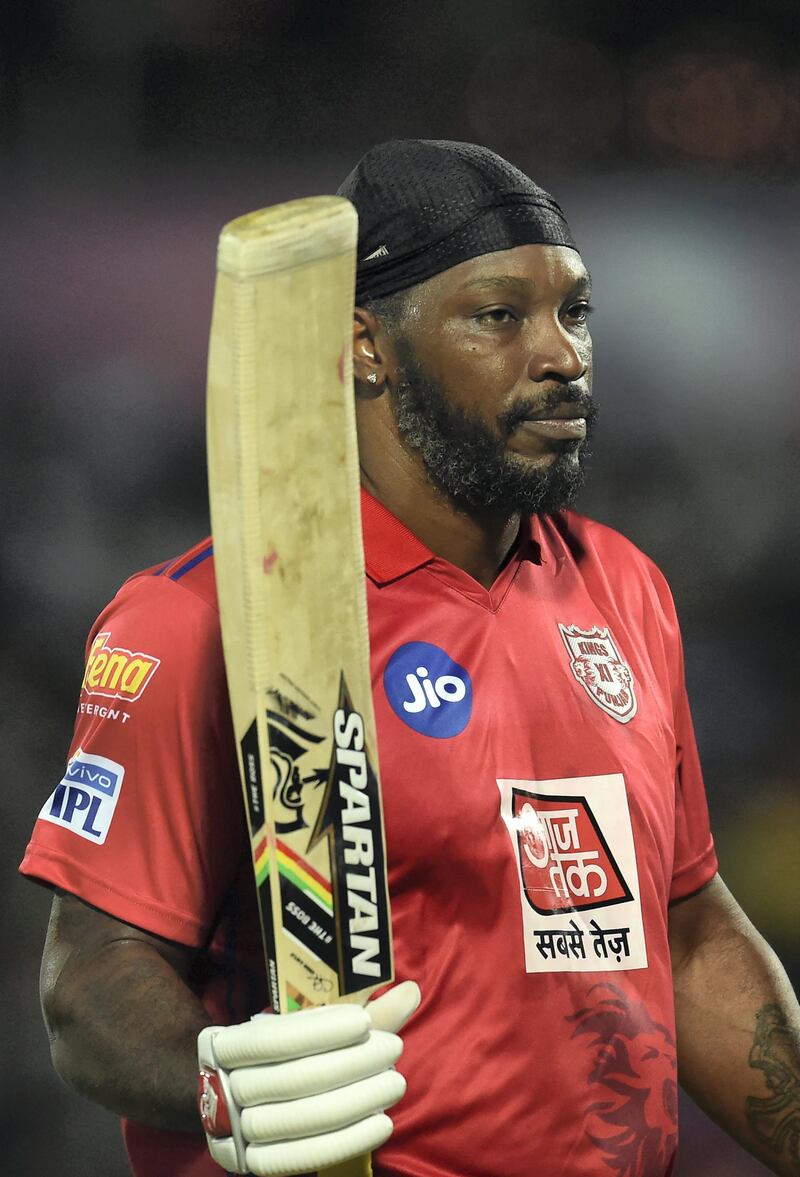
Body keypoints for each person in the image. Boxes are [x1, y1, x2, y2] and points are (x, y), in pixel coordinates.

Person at [20, 139, 800, 1177]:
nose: (561, 353)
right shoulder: (198, 619)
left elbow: (685, 927)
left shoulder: (621, 586)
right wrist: (221, 1085)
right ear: (366, 346)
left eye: (574, 311)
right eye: (498, 315)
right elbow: (91, 978)